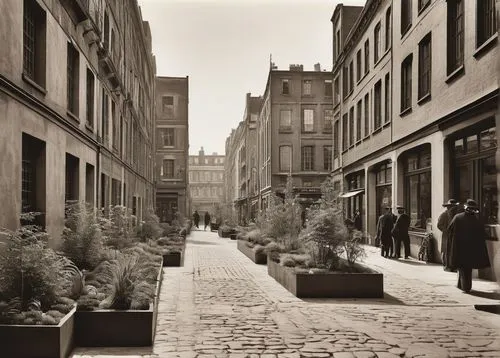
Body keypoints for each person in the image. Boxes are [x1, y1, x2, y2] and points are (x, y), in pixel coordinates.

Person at [447, 199, 490, 293]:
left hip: (459, 247)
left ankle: (464, 286)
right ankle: (464, 286)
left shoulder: (457, 217)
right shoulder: (476, 220)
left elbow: (449, 230)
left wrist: (452, 243)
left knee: (462, 267)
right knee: (466, 268)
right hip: (471, 249)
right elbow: (481, 235)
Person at [437, 199, 459, 271]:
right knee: (446, 250)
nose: (453, 208)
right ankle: (447, 266)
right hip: (446, 236)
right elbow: (439, 225)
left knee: (453, 250)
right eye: (451, 206)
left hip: (454, 236)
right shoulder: (444, 214)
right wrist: (446, 230)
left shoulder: (456, 215)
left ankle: (453, 266)